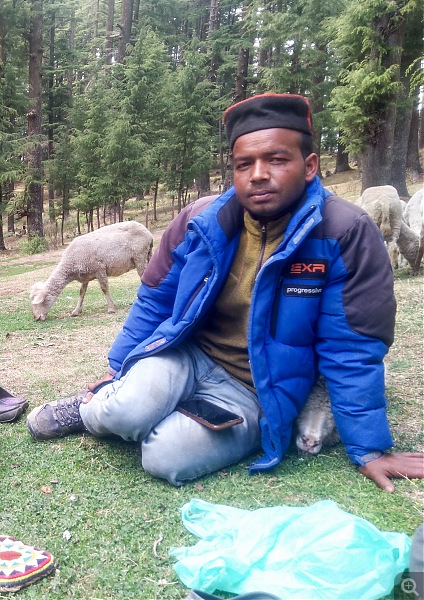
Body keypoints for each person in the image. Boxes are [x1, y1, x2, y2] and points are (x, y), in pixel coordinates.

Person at [26, 93, 424, 492]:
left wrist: (369, 448)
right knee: (124, 412)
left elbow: (352, 345)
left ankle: (168, 411)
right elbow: (155, 298)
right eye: (244, 164)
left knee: (166, 457)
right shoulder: (201, 220)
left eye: (277, 159)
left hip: (255, 387)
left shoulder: (344, 233)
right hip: (185, 353)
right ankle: (91, 408)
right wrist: (116, 369)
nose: (258, 174)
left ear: (309, 166)